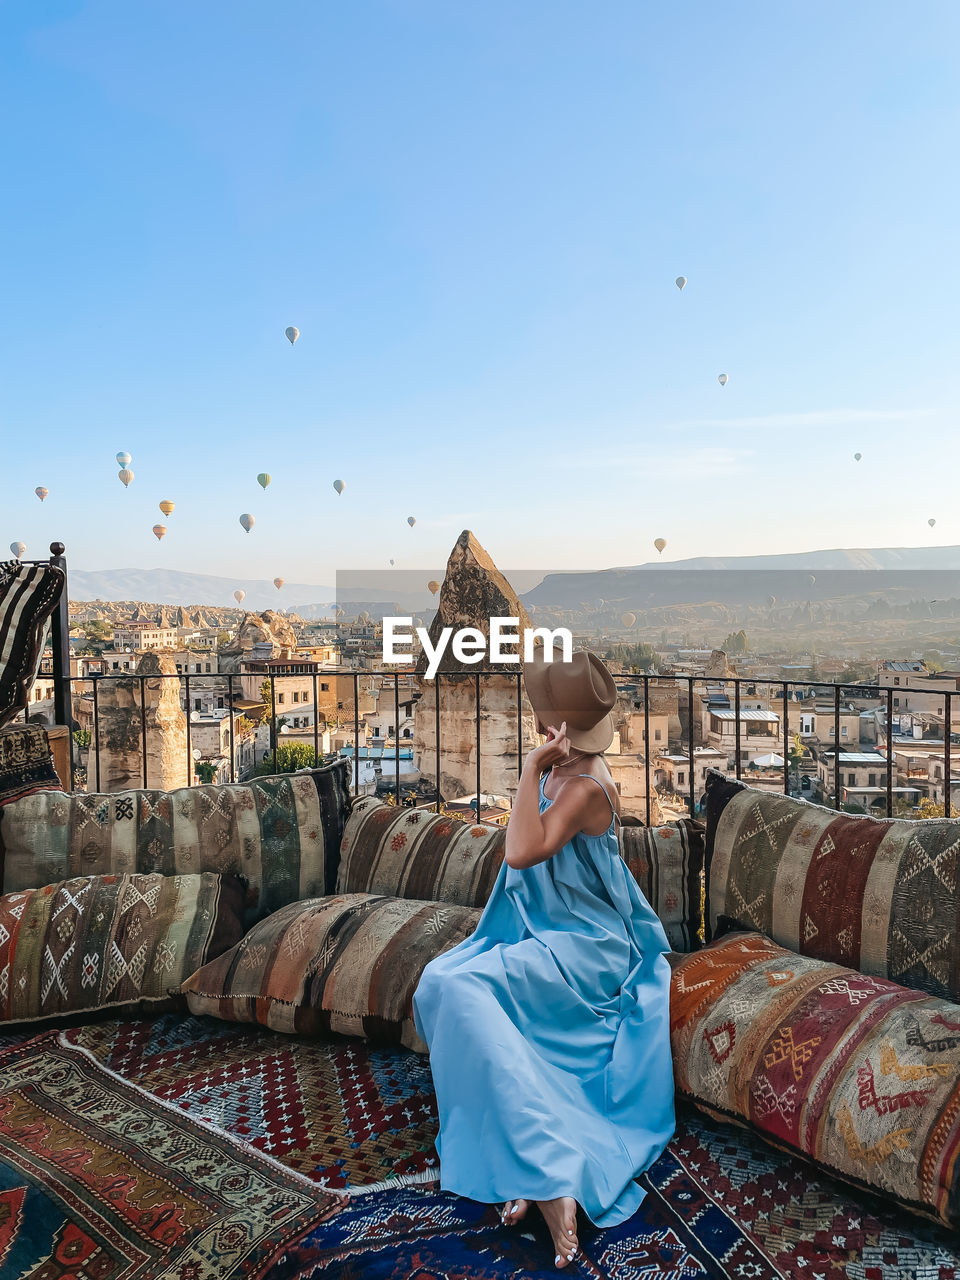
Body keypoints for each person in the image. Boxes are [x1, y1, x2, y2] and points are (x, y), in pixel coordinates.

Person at [412, 650, 676, 1270]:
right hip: (549, 937)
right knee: (440, 981)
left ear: (556, 723)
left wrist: (530, 768)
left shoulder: (585, 786)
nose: (533, 717)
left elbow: (524, 850)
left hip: (587, 951)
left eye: (540, 713)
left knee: (462, 990)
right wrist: (539, 771)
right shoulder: (566, 771)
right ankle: (526, 1159)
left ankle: (549, 1173)